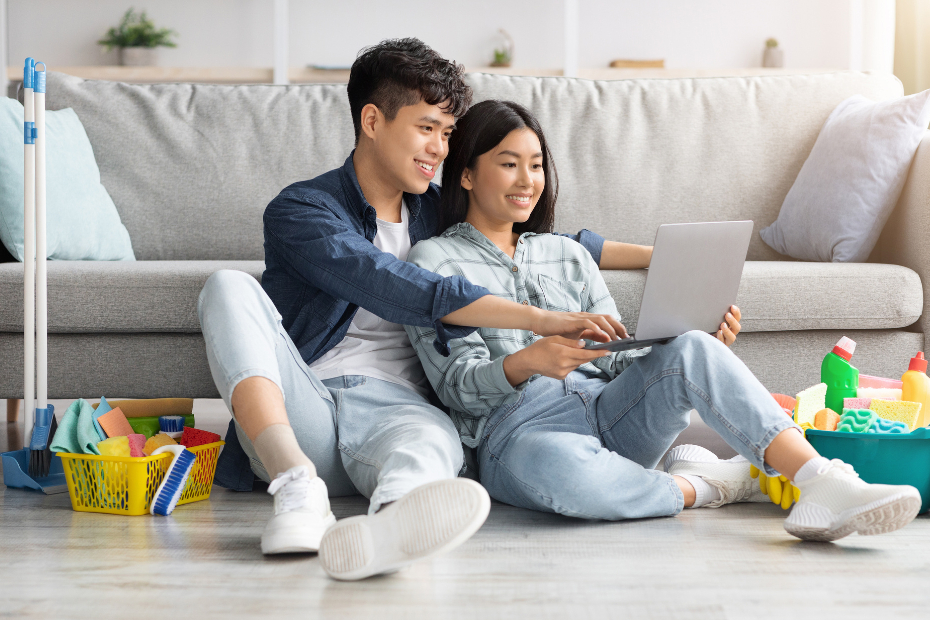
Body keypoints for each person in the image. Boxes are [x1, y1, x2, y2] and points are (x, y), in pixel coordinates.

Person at [198, 39, 647, 581]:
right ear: (372, 120)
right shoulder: (303, 209)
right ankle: (295, 489)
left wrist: (660, 257)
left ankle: (390, 528)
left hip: (403, 411)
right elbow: (391, 284)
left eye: (448, 133)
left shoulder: (438, 211)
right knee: (226, 285)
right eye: (426, 127)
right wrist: (538, 319)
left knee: (433, 443)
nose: (439, 149)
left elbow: (538, 237)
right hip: (307, 408)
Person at [403, 99, 922, 540]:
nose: (528, 180)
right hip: (518, 431)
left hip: (608, 409)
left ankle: (821, 480)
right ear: (467, 173)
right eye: (509, 163)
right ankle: (714, 484)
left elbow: (615, 362)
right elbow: (456, 388)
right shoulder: (433, 262)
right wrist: (525, 361)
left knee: (693, 347)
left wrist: (684, 341)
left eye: (536, 165)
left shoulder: (567, 255)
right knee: (566, 479)